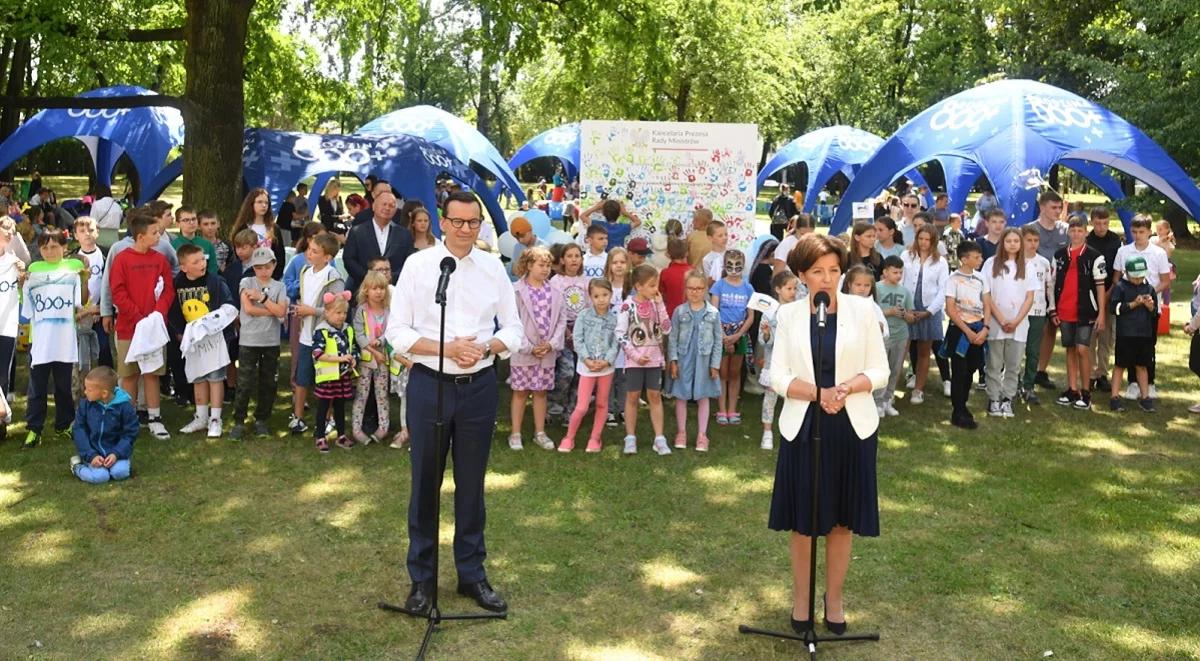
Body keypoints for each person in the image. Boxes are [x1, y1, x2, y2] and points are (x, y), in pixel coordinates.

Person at [386, 189, 521, 616]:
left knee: (471, 484)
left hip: (479, 385)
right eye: (458, 222)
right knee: (425, 482)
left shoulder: (492, 268)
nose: (466, 230)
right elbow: (397, 331)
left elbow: (514, 329)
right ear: (442, 222)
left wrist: (484, 349)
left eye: (473, 223)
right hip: (431, 384)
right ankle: (422, 580)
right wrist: (445, 348)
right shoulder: (419, 265)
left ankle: (471, 574)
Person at [768, 232, 886, 635]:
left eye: (834, 270)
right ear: (801, 275)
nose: (827, 279)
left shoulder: (864, 311)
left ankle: (833, 600)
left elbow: (880, 370)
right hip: (805, 424)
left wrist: (845, 389)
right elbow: (778, 376)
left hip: (852, 425)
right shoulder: (788, 315)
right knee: (805, 520)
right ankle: (801, 599)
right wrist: (818, 394)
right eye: (817, 272)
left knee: (840, 520)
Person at [107, 210, 175, 440]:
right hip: (129, 327)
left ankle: (155, 418)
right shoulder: (122, 259)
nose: (158, 236)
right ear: (140, 237)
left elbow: (168, 290)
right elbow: (118, 292)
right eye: (154, 232)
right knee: (129, 374)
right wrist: (138, 317)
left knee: (152, 373)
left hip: (154, 327)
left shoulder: (160, 260)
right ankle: (128, 418)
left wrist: (157, 314)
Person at [22, 230, 84, 448]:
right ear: (39, 249)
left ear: (64, 247)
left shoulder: (73, 269)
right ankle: (33, 429)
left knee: (63, 386)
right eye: (45, 247)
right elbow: (26, 306)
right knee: (37, 387)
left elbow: (81, 301)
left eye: (55, 246)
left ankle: (64, 424)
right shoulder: (33, 271)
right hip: (39, 340)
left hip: (64, 341)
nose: (50, 251)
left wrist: (83, 275)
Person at [170, 244, 233, 438]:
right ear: (184, 267)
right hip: (192, 340)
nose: (202, 264)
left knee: (215, 378)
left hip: (213, 338)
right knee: (198, 378)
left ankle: (215, 418)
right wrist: (179, 332)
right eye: (195, 261)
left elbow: (228, 305)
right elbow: (173, 311)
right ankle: (201, 416)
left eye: (203, 259)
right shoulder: (177, 284)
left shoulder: (215, 281)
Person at [507, 246, 565, 451]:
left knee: (541, 392)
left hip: (546, 351)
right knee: (520, 392)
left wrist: (551, 344)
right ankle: (515, 433)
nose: (545, 269)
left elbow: (561, 321)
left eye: (548, 265)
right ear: (529, 265)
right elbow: (511, 321)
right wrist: (528, 347)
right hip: (524, 352)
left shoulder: (556, 292)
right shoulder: (516, 291)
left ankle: (540, 432)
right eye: (541, 265)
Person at [290, 233, 345, 434]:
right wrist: (301, 309)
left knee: (326, 379)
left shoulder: (333, 277)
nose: (308, 253)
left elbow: (340, 308)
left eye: (314, 251)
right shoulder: (305, 271)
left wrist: (312, 311)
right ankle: (298, 417)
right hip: (306, 335)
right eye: (309, 249)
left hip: (326, 338)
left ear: (327, 257)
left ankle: (328, 418)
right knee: (302, 377)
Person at [229, 247, 286, 440]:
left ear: (274, 265)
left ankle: (262, 419)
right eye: (258, 267)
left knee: (268, 382)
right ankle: (239, 421)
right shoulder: (246, 282)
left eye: (267, 267)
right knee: (244, 382)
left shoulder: (280, 286)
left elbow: (281, 311)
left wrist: (262, 298)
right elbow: (249, 309)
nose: (263, 271)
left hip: (270, 341)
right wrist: (273, 308)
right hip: (249, 340)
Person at [1112, 214, 1171, 400]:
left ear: (1149, 232)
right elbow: (1116, 277)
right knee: (1128, 344)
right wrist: (1127, 292)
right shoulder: (1124, 251)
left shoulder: (1158, 253)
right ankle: (1132, 383)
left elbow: (1165, 280)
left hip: (1149, 309)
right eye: (1135, 232)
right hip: (1129, 307)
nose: (1138, 236)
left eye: (1142, 232)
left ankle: (1150, 382)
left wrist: (1149, 293)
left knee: (1147, 346)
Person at [1051, 215, 1107, 410]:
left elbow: (1100, 287)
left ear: (1085, 231)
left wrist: (1101, 313)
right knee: (1070, 349)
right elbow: (1052, 284)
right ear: (1068, 232)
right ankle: (1072, 389)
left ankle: (1086, 391)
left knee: (1083, 349)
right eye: (1072, 230)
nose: (1076, 234)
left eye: (1080, 230)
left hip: (1086, 310)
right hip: (1064, 309)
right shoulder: (1059, 255)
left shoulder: (1095, 256)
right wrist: (1053, 308)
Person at [558, 278, 619, 453]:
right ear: (590, 298)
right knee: (582, 406)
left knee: (601, 403)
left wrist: (607, 360)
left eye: (605, 295)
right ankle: (569, 437)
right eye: (597, 296)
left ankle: (595, 438)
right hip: (587, 367)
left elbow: (616, 343)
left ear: (611, 295)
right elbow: (578, 340)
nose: (601, 299)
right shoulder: (584, 316)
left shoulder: (614, 319)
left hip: (606, 368)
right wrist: (586, 360)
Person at [617, 264, 671, 455]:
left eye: (656, 284)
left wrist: (661, 305)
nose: (655, 289)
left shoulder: (656, 305)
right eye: (651, 285)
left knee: (655, 396)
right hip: (635, 362)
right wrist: (636, 356)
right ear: (638, 286)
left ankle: (659, 438)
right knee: (632, 396)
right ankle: (630, 437)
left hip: (655, 360)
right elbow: (621, 334)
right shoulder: (627, 306)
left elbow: (666, 329)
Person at [982, 229, 1037, 418]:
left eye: (1016, 241)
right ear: (1002, 243)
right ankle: (994, 398)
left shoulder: (1027, 267)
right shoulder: (991, 264)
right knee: (994, 363)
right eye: (1008, 241)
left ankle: (1008, 398)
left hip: (1019, 324)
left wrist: (1015, 321)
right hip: (997, 323)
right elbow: (986, 294)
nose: (1012, 244)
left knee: (1013, 364)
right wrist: (1001, 319)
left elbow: (1030, 297)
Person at [668, 269, 722, 451]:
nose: (695, 292)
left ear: (705, 289)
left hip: (704, 360)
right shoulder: (679, 311)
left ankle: (702, 435)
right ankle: (681, 432)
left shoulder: (713, 313)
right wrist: (673, 360)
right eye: (691, 288)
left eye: (699, 288)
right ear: (685, 289)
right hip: (684, 358)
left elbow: (718, 341)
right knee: (681, 395)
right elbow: (673, 337)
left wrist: (715, 364)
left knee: (703, 395)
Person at [943, 241, 990, 429]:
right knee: (959, 371)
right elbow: (951, 308)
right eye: (976, 257)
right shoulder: (953, 279)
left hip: (979, 329)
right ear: (964, 259)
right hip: (960, 330)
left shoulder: (980, 278)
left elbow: (987, 303)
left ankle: (963, 405)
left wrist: (985, 328)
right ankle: (958, 411)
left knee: (971, 369)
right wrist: (968, 331)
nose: (980, 259)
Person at [901, 225, 949, 404]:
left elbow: (943, 289)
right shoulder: (907, 256)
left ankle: (918, 390)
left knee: (923, 351)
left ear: (934, 241)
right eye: (920, 238)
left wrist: (929, 311)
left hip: (929, 309)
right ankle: (888, 391)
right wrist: (904, 309)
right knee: (900, 350)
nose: (923, 243)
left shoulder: (941, 262)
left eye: (927, 239)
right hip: (907, 308)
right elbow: (900, 280)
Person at [1026, 190, 1068, 390]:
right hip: (1032, 289)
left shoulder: (1065, 230)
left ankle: (1041, 371)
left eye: (1059, 207)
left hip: (1058, 288)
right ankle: (1024, 369)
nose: (1057, 211)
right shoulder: (1028, 229)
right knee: (1031, 329)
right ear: (1042, 207)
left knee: (1051, 328)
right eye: (1053, 207)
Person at [70, 367, 139, 484]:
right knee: (100, 477)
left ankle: (118, 465)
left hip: (116, 453)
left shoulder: (124, 407)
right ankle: (77, 467)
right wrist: (91, 455)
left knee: (120, 473)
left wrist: (116, 453)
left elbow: (130, 433)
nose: (85, 392)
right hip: (93, 453)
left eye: (89, 389)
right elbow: (79, 430)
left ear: (104, 393)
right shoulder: (85, 405)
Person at [348, 271, 395, 445]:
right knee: (362, 394)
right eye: (374, 288)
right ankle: (356, 428)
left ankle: (383, 427)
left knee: (381, 394)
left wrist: (381, 341)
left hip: (384, 360)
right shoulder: (361, 310)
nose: (379, 292)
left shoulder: (389, 311)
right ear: (366, 290)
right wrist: (374, 351)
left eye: (382, 288)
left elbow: (391, 331)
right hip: (367, 360)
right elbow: (359, 335)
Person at [1107, 256, 1158, 412]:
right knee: (1120, 365)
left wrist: (1150, 307)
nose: (1138, 279)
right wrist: (1133, 304)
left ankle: (1145, 397)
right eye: (1135, 276)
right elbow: (1114, 308)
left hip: (1144, 334)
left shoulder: (1149, 288)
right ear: (1127, 273)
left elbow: (1155, 313)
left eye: (1141, 276)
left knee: (1142, 366)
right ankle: (1114, 396)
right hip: (1126, 334)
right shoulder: (1121, 287)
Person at [311, 291, 358, 452]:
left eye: (344, 313)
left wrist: (354, 358)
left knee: (340, 406)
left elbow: (354, 348)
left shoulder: (348, 329)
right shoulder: (321, 331)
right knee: (323, 407)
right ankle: (320, 436)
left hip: (343, 376)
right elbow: (318, 354)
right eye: (338, 313)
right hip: (327, 377)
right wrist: (340, 359)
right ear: (327, 313)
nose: (342, 316)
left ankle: (341, 435)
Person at [711, 249, 753, 424]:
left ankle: (732, 410)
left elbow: (751, 316)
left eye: (738, 266)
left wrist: (738, 335)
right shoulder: (719, 285)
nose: (734, 269)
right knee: (722, 372)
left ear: (743, 267)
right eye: (730, 265)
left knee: (735, 372)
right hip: (721, 332)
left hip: (739, 333)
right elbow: (714, 312)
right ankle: (721, 410)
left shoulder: (748, 287)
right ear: (724, 266)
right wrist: (723, 336)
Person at [760, 271, 800, 448]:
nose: (793, 292)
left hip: (794, 363)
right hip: (774, 362)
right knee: (770, 397)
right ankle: (767, 432)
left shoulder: (798, 311)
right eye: (789, 288)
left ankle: (792, 431)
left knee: (793, 398)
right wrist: (767, 333)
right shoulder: (769, 313)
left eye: (795, 288)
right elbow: (764, 342)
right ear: (778, 289)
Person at [548, 243, 587, 425]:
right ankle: (553, 404)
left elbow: (589, 308)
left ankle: (570, 411)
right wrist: (565, 331)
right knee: (567, 372)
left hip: (582, 333)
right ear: (562, 260)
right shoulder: (556, 282)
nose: (574, 260)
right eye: (570, 256)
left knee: (579, 374)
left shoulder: (586, 281)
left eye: (577, 256)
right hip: (563, 333)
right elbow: (553, 311)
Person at [342, 192, 414, 292]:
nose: (387, 208)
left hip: (394, 291)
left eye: (391, 206)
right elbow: (349, 259)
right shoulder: (357, 232)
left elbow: (409, 261)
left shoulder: (404, 234)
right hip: (363, 290)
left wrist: (392, 277)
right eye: (384, 204)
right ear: (373, 206)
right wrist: (369, 278)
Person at [1086, 207, 1122, 392]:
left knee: (1107, 338)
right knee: (1091, 336)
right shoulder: (1086, 240)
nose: (1101, 227)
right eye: (1098, 223)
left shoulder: (1115, 240)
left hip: (1110, 294)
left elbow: (1118, 269)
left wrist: (1109, 293)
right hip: (1090, 296)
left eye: (1105, 223)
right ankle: (1090, 374)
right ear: (1092, 222)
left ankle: (1102, 373)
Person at [1018, 226, 1055, 404]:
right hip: (1018, 312)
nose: (1032, 244)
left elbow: (1049, 288)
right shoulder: (1015, 261)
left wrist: (1052, 308)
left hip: (1038, 312)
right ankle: (1014, 383)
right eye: (1029, 240)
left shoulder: (1044, 263)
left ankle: (1029, 385)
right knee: (1016, 349)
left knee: (1033, 351)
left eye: (1036, 241)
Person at [874, 255, 912, 418]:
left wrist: (905, 315)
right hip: (882, 336)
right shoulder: (876, 288)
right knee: (881, 369)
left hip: (900, 335)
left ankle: (888, 400)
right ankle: (877, 402)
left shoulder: (904, 292)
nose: (898, 276)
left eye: (900, 273)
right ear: (885, 272)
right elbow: (871, 312)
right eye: (895, 272)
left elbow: (911, 315)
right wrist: (889, 312)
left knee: (895, 369)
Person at [0, 219, 24, 438]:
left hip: (7, 326)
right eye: (6, 229)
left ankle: (2, 420)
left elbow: (26, 288)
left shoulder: (15, 263)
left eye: (13, 230)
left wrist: (23, 277)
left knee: (3, 375)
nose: (10, 233)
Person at [230, 188, 286, 279]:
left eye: (266, 203)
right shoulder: (242, 227)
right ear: (251, 204)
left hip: (268, 278)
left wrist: (273, 278)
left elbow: (280, 257)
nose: (263, 205)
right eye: (259, 202)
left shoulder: (274, 229)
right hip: (245, 277)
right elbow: (237, 254)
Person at [170, 206, 220, 285]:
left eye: (194, 219)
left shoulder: (206, 244)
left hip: (205, 286)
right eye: (186, 220)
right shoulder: (173, 246)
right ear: (178, 224)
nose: (191, 222)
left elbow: (213, 270)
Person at [658, 238, 692, 317]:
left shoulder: (665, 273)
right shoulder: (693, 271)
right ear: (687, 253)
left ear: (668, 254)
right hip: (690, 314)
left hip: (671, 314)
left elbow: (662, 294)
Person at [701, 221, 729, 286]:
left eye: (726, 234)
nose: (725, 238)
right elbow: (709, 282)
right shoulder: (707, 259)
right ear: (710, 238)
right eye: (720, 236)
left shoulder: (732, 254)